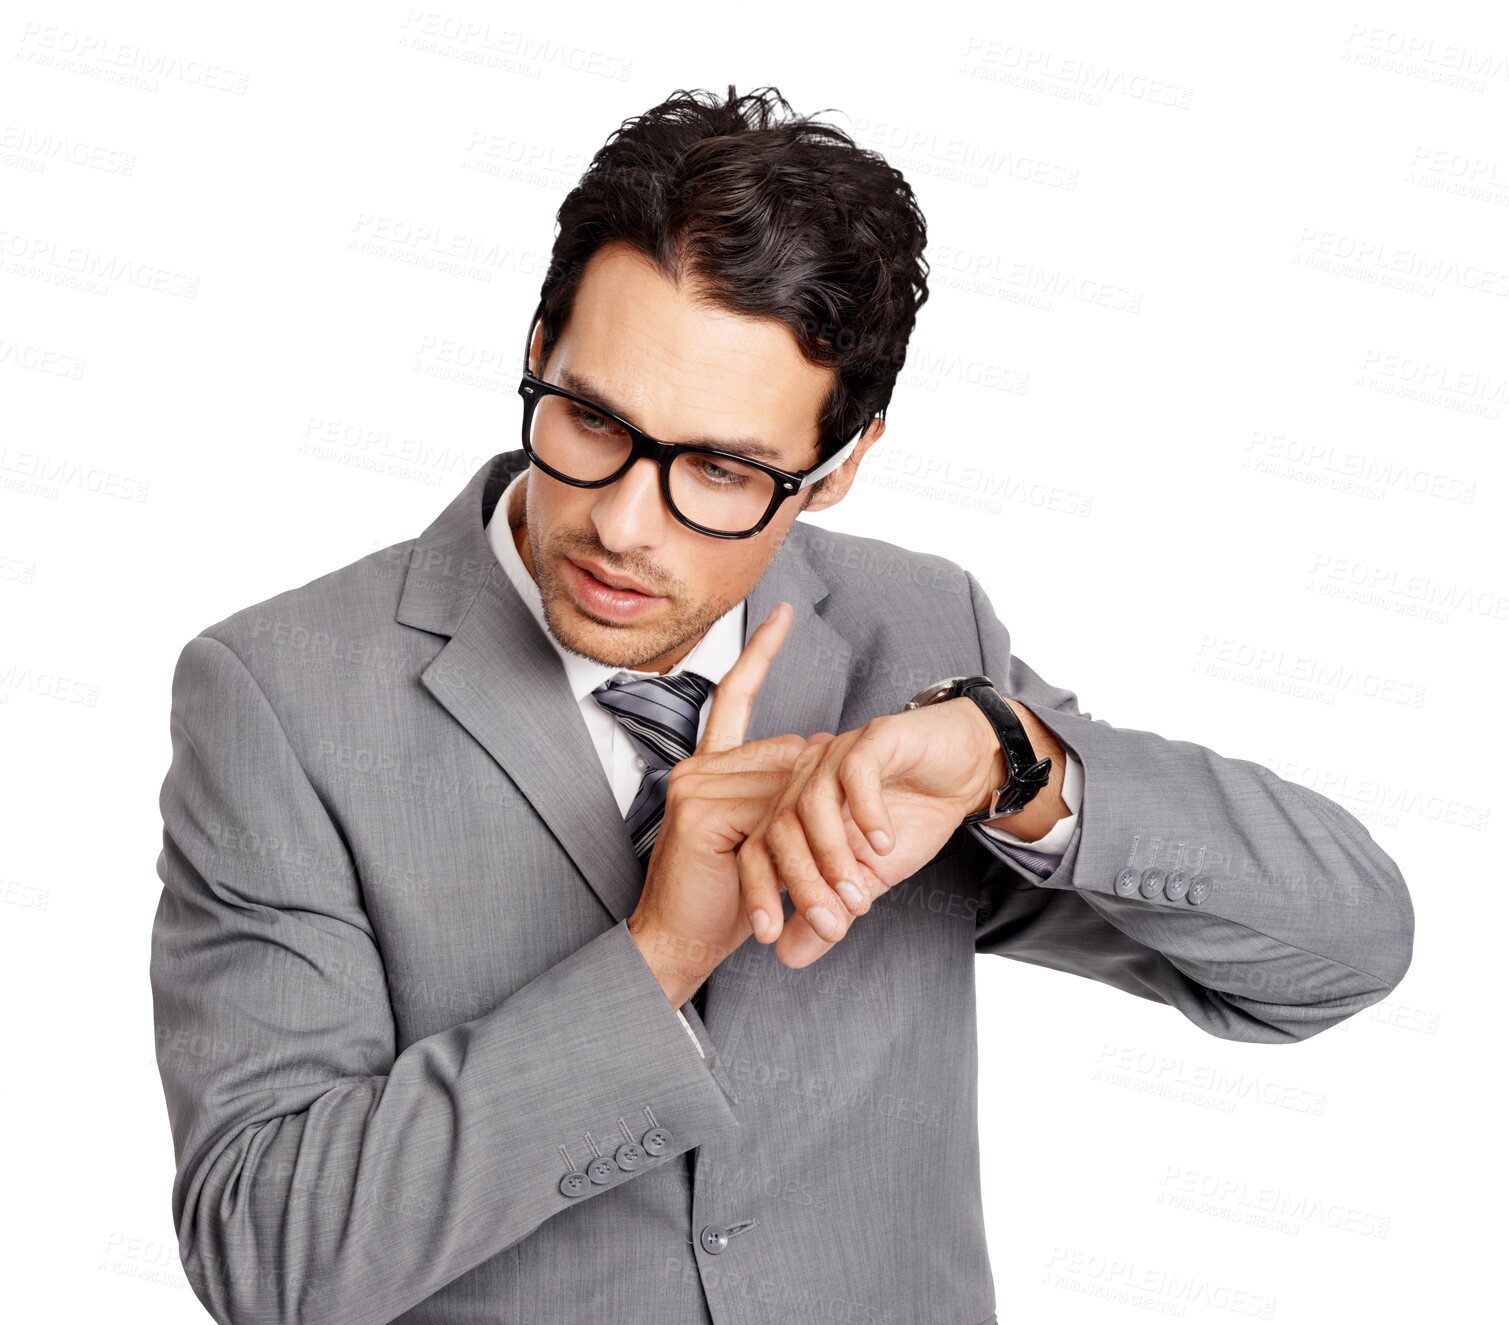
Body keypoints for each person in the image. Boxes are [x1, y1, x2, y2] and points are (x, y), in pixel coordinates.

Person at [149, 85, 1414, 1325]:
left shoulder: (918, 636)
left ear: (842, 462)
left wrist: (1015, 765)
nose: (622, 525)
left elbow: (1335, 957)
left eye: (721, 468)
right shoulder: (280, 695)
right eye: (590, 418)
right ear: (537, 352)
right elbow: (269, 1254)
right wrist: (660, 957)